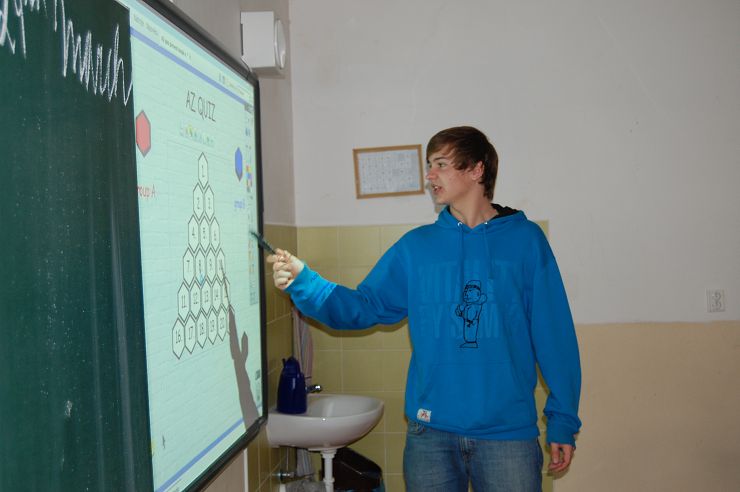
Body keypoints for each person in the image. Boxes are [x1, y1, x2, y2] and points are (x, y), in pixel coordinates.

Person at [269, 126, 581, 491]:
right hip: (430, 435)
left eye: (441, 164)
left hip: (508, 436)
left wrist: (562, 420)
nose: (429, 176)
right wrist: (305, 281)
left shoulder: (526, 242)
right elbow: (365, 306)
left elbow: (554, 335)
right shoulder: (416, 247)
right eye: (429, 165)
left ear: (476, 169)